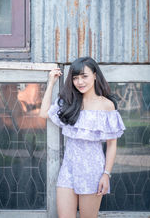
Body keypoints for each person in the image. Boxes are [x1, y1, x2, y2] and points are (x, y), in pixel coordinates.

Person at [40, 57, 125, 218]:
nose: (79, 82)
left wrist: (106, 174)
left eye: (84, 76)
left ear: (94, 75)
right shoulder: (69, 102)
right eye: (75, 77)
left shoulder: (107, 105)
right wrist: (51, 82)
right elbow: (44, 113)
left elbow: (112, 145)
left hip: (93, 171)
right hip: (68, 170)